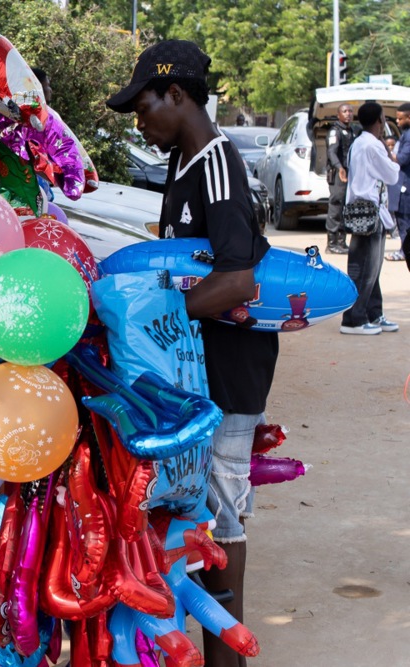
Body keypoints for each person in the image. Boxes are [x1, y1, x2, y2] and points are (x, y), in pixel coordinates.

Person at [107, 40, 278, 667]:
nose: (139, 120)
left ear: (177, 94)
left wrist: (154, 319)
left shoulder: (216, 166)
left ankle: (227, 658)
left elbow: (238, 280)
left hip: (229, 370)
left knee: (223, 516)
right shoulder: (184, 161)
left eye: (143, 105)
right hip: (195, 365)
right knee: (195, 512)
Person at [338, 102, 400, 335]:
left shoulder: (359, 143)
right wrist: (387, 150)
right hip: (369, 213)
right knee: (364, 268)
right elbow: (392, 175)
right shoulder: (373, 146)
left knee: (371, 267)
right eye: (383, 118)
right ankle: (353, 319)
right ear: (379, 121)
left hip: (366, 212)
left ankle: (374, 313)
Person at [325, 103, 356, 254]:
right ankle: (331, 244)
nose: (348, 114)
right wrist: (340, 168)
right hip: (338, 173)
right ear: (339, 114)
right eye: (345, 111)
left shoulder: (352, 131)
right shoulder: (334, 131)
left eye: (350, 111)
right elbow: (331, 152)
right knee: (336, 206)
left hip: (349, 173)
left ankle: (342, 243)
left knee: (345, 207)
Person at [388, 102, 410, 262]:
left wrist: (386, 152)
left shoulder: (408, 136)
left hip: (406, 186)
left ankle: (404, 251)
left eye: (400, 119)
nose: (397, 122)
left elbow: (402, 158)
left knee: (404, 222)